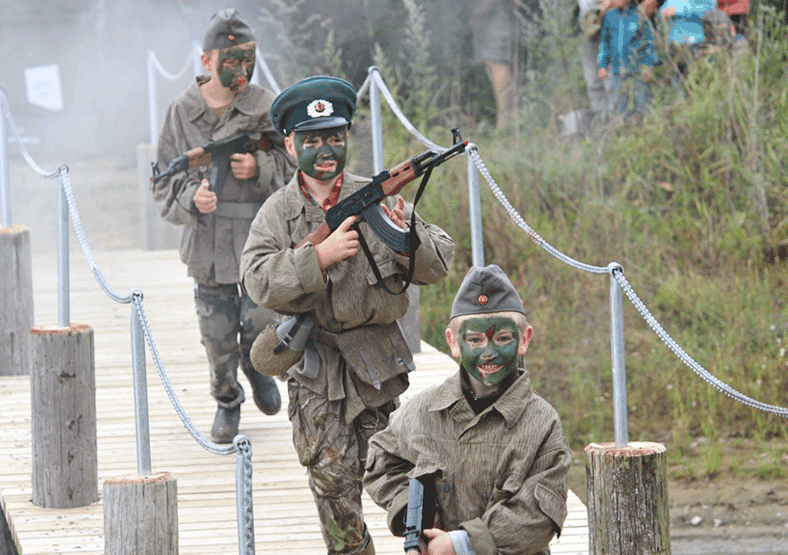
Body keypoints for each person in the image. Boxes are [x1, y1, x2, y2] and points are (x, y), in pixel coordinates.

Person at [240, 75, 455, 555]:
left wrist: (408, 232)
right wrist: (316, 258)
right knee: (333, 482)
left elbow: (440, 262)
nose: (325, 150)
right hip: (316, 367)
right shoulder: (277, 213)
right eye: (312, 140)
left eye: (335, 137)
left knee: (401, 477)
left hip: (378, 363)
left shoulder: (376, 195)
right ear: (291, 146)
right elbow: (256, 279)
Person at [151, 8, 296, 444]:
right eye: (229, 61)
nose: (240, 70)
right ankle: (227, 401)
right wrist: (191, 200)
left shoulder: (266, 106)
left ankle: (257, 370)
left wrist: (261, 167)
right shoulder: (183, 112)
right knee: (216, 339)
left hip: (259, 240)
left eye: (247, 60)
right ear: (206, 61)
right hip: (207, 242)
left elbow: (295, 166)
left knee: (259, 326)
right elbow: (162, 179)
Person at [363, 265, 571, 555]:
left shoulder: (542, 424)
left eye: (502, 339)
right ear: (453, 342)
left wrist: (461, 543)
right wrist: (415, 514)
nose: (488, 352)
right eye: (474, 340)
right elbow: (381, 461)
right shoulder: (424, 412)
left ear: (524, 339)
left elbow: (538, 516)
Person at [471, 0, 537, 129]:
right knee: (492, 65)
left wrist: (481, 9)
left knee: (497, 66)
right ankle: (510, 122)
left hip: (496, 21)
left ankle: (506, 123)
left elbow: (516, 4)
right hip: (487, 22)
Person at [597, 0, 659, 123]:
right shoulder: (610, 16)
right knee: (620, 107)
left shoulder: (640, 14)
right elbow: (605, 43)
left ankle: (644, 129)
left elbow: (649, 42)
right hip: (618, 71)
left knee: (642, 104)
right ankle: (623, 133)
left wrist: (649, 65)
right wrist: (602, 65)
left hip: (638, 69)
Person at [579, 0, 613, 119]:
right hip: (585, 26)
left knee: (611, 79)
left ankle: (618, 123)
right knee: (593, 83)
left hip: (611, 21)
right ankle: (602, 124)